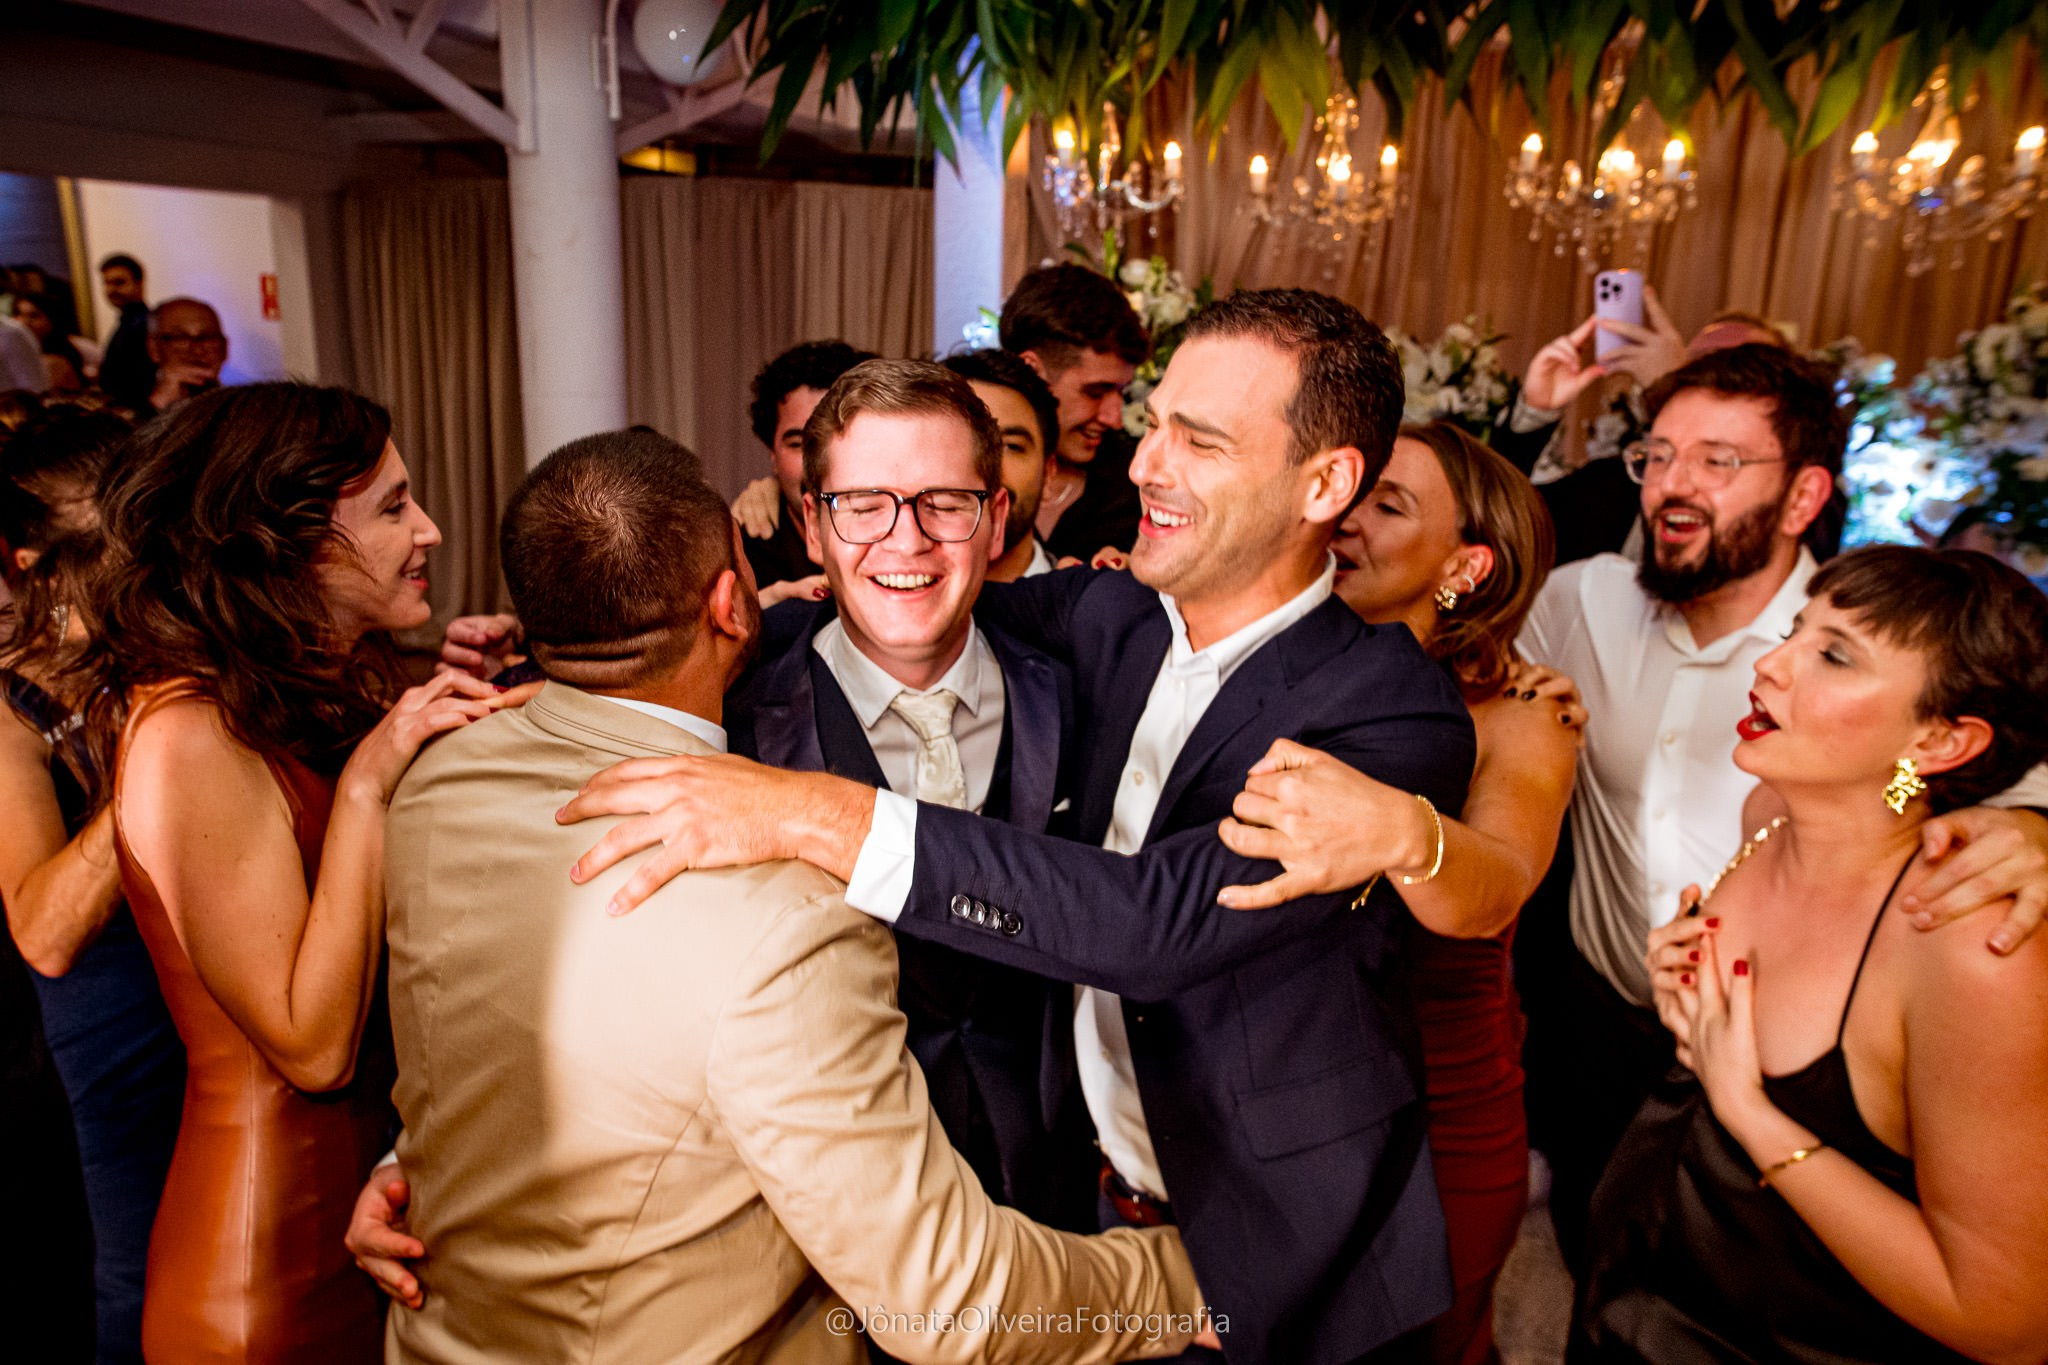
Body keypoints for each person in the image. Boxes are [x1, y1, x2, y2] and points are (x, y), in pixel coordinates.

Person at [556, 288, 1477, 1363]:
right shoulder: (1102, 619)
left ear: (1324, 483)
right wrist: (547, 687)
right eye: (1154, 422)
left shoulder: (1386, 711)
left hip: (1285, 1256)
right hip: (1068, 1223)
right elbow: (901, 595)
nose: (1142, 463)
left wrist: (815, 812)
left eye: (1200, 439)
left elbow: (1150, 927)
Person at [373, 427, 1209, 1363]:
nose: (902, 539)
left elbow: (501, 1014)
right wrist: (1188, 1283)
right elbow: (949, 1302)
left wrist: (412, 1161)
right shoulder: (787, 910)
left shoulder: (437, 781)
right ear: (737, 602)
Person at [1515, 344, 2048, 1274]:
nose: (1674, 485)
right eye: (1659, 454)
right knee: (1603, 1256)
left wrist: (2038, 824)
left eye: (1719, 461)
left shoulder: (1874, 640)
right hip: (1605, 1037)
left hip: (1813, 1070)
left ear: (1804, 497)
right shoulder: (1581, 601)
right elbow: (1452, 571)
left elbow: (1995, 734)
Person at [57, 382, 521, 1364]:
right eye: (394, 508)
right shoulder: (186, 732)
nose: (429, 529)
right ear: (290, 541)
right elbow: (310, 1048)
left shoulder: (295, 687)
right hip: (265, 1266)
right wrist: (367, 783)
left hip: (363, 1217)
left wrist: (429, 673)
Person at [1574, 546, 2048, 1364]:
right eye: (1797, 630)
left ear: (1940, 740)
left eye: (1834, 655)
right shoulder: (1766, 812)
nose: (1772, 663)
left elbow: (2007, 1319)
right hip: (1625, 1301)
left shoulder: (1968, 942)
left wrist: (1748, 1109)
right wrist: (1682, 994)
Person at [1214, 421, 1580, 1365]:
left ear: (1466, 567)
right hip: (1272, 1106)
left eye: (1391, 505)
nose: (1349, 520)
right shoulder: (1264, 661)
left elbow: (1492, 889)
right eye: (1352, 491)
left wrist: (1401, 832)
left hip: (1437, 1117)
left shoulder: (1521, 716)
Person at [728, 358, 1092, 1232]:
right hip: (825, 1219)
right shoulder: (740, 709)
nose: (906, 539)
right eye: (864, 503)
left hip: (1056, 1191)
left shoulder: (1079, 689)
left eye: (945, 502)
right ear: (812, 526)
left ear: (997, 517)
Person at [1, 405, 185, 1365]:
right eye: (107, 545)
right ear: (35, 565)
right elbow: (44, 929)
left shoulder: (141, 660)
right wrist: (153, 763)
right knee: (133, 1272)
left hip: (193, 1013)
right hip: (92, 1052)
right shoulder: (10, 717)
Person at [1499, 291, 1796, 565]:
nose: (1704, 381)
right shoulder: (1609, 482)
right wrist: (1536, 412)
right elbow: (1491, 524)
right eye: (1696, 366)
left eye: (1735, 372)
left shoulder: (1788, 496)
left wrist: (1672, 394)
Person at [998, 263, 1150, 561]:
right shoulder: (964, 474)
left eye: (1122, 392)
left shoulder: (1136, 484)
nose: (1115, 419)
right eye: (1095, 392)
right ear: (1031, 371)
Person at [732, 339, 879, 588]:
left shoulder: (903, 536)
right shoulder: (742, 557)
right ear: (773, 454)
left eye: (838, 440)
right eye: (798, 444)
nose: (816, 463)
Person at [941, 347, 1061, 581]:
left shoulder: (1092, 610)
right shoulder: (871, 609)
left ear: (1048, 474)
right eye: (960, 441)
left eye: (1010, 446)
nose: (987, 466)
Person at [142, 297, 228, 414]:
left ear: (224, 348)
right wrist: (160, 402)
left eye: (207, 337)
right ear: (154, 348)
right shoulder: (122, 416)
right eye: (180, 338)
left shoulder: (244, 412)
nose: (197, 350)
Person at [97, 254, 154, 412]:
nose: (111, 290)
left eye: (119, 282)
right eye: (107, 283)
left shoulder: (145, 325)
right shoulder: (128, 322)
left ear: (139, 284)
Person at [11, 290, 91, 395]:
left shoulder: (59, 359)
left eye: (34, 316)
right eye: (18, 314)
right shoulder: (13, 351)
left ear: (52, 320)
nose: (23, 322)